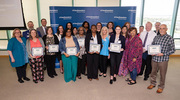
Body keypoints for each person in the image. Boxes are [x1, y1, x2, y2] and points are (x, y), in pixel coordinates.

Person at [147, 24, 175, 93]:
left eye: (163, 28)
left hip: (163, 60)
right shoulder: (156, 37)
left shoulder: (169, 38)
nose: (161, 30)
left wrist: (163, 54)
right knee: (153, 72)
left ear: (166, 29)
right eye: (160, 28)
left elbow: (173, 50)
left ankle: (161, 86)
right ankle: (152, 83)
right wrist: (151, 52)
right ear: (159, 29)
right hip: (154, 59)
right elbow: (152, 45)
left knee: (162, 74)